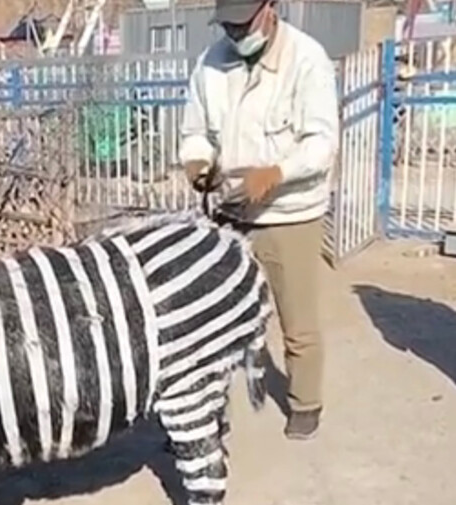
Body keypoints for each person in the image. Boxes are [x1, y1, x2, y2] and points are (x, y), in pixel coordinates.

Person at [180, 0, 339, 440]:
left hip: (290, 214)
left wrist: (276, 174)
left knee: (296, 319)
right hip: (231, 212)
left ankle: (305, 402)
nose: (234, 33)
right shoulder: (210, 63)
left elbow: (321, 142)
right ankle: (211, 410)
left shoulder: (307, 61)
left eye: (242, 23)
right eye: (226, 25)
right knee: (219, 319)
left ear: (270, 9)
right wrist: (198, 163)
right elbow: (195, 130)